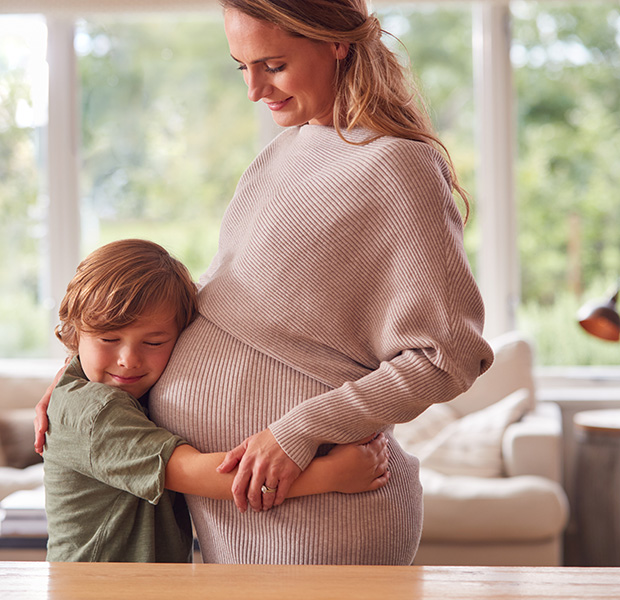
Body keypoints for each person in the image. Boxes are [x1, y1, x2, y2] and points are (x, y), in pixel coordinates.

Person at [37, 0, 493, 565]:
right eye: (241, 67)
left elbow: (450, 356)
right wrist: (76, 379)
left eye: (272, 65)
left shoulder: (399, 166)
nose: (254, 89)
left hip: (326, 517)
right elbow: (214, 306)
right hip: (238, 517)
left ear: (336, 43)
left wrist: (297, 432)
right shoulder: (278, 155)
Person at [42, 238, 391, 563]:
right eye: (108, 339)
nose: (128, 360)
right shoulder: (96, 410)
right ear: (74, 332)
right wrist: (332, 475)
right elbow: (198, 474)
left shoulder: (105, 388)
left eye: (154, 342)